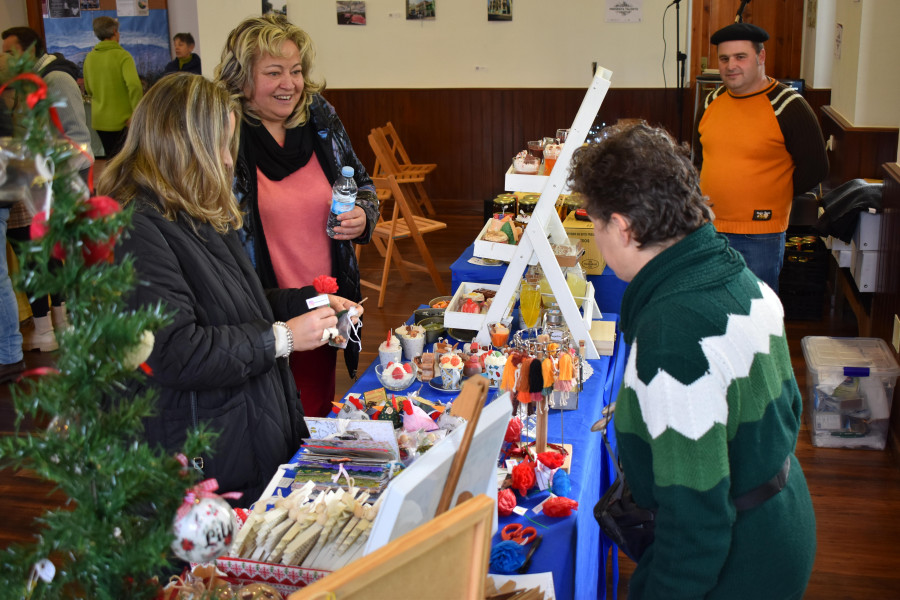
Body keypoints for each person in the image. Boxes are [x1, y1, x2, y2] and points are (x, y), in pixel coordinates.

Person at [569, 123, 815, 599]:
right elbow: (788, 412)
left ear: (622, 227)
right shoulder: (738, 276)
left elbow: (694, 534)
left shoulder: (672, 341)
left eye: (596, 225)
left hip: (741, 566)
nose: (597, 239)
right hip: (783, 520)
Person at [98, 73, 362, 505]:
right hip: (198, 448)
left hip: (239, 429)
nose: (226, 160)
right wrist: (284, 337)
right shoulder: (135, 228)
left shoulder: (192, 207)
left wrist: (311, 303)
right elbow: (174, 352)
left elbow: (242, 304)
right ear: (183, 146)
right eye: (219, 146)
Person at [215, 14, 379, 418]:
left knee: (315, 411)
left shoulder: (319, 117)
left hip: (323, 303)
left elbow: (362, 182)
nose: (289, 84)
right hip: (257, 313)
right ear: (241, 77)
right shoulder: (226, 133)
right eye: (274, 72)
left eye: (296, 70)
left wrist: (364, 214)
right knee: (265, 421)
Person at [693, 22, 828, 294]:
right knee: (713, 312)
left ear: (761, 57)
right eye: (724, 58)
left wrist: (772, 192)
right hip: (709, 229)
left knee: (755, 316)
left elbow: (815, 169)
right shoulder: (712, 101)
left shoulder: (788, 105)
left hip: (761, 235)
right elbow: (698, 160)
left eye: (740, 57)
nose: (731, 65)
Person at [3, 26, 88, 352]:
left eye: (10, 52)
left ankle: (66, 327)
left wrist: (37, 173)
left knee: (55, 256)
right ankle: (54, 328)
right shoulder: (28, 84)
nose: (5, 59)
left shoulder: (57, 80)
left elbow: (79, 144)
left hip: (55, 188)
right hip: (33, 186)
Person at [83, 16, 142, 159]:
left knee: (112, 160)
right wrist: (136, 112)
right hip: (122, 122)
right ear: (114, 32)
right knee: (127, 162)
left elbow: (88, 89)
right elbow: (134, 85)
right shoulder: (123, 56)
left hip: (100, 121)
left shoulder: (90, 57)